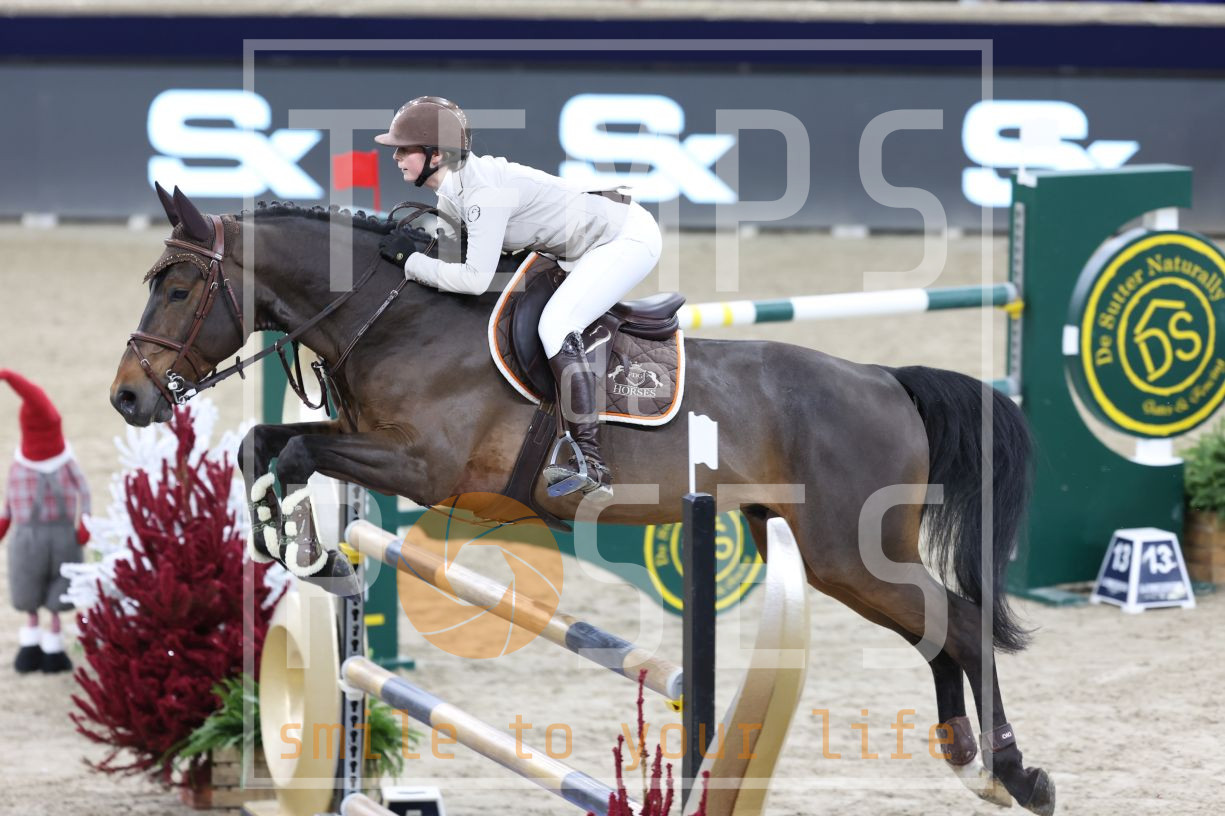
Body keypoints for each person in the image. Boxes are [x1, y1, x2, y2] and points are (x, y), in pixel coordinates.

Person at [374, 96, 662, 500]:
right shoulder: (453, 192)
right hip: (582, 242)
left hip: (625, 239)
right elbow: (452, 264)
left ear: (436, 155)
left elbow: (475, 279)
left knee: (557, 325)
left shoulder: (481, 193)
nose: (396, 157)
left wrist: (411, 262)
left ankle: (589, 460)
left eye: (404, 150)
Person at [0, 370, 90, 673]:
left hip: (61, 536)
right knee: (27, 588)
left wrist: (84, 523)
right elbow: (8, 502)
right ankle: (32, 641)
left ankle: (53, 644)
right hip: (29, 537)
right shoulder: (22, 464)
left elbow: (85, 493)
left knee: (60, 589)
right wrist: (4, 523)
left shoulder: (64, 463)